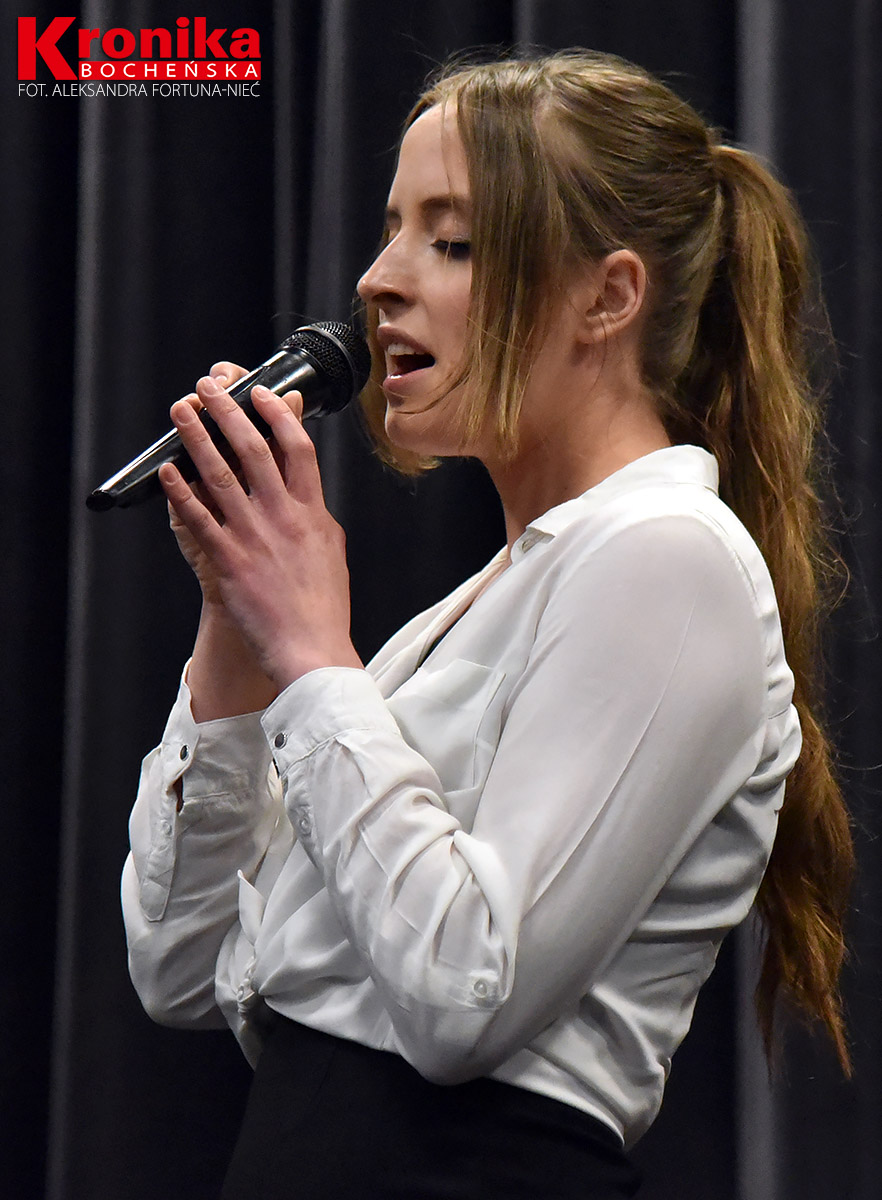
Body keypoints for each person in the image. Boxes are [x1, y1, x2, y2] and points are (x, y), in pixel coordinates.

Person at [121, 50, 854, 1199]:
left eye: (451, 242)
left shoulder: (667, 559)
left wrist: (311, 656)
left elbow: (467, 993)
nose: (377, 280)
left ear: (608, 297)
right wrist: (238, 615)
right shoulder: (483, 608)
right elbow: (179, 964)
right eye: (391, 230)